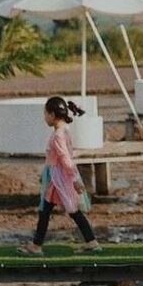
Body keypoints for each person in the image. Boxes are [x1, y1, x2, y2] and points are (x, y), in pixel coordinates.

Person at [17, 97, 100, 255]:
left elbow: (65, 158)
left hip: (60, 178)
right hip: (57, 178)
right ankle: (37, 244)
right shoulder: (64, 132)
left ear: (53, 115)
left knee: (70, 211)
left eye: (46, 114)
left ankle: (91, 242)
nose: (44, 117)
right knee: (47, 210)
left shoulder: (58, 136)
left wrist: (74, 179)